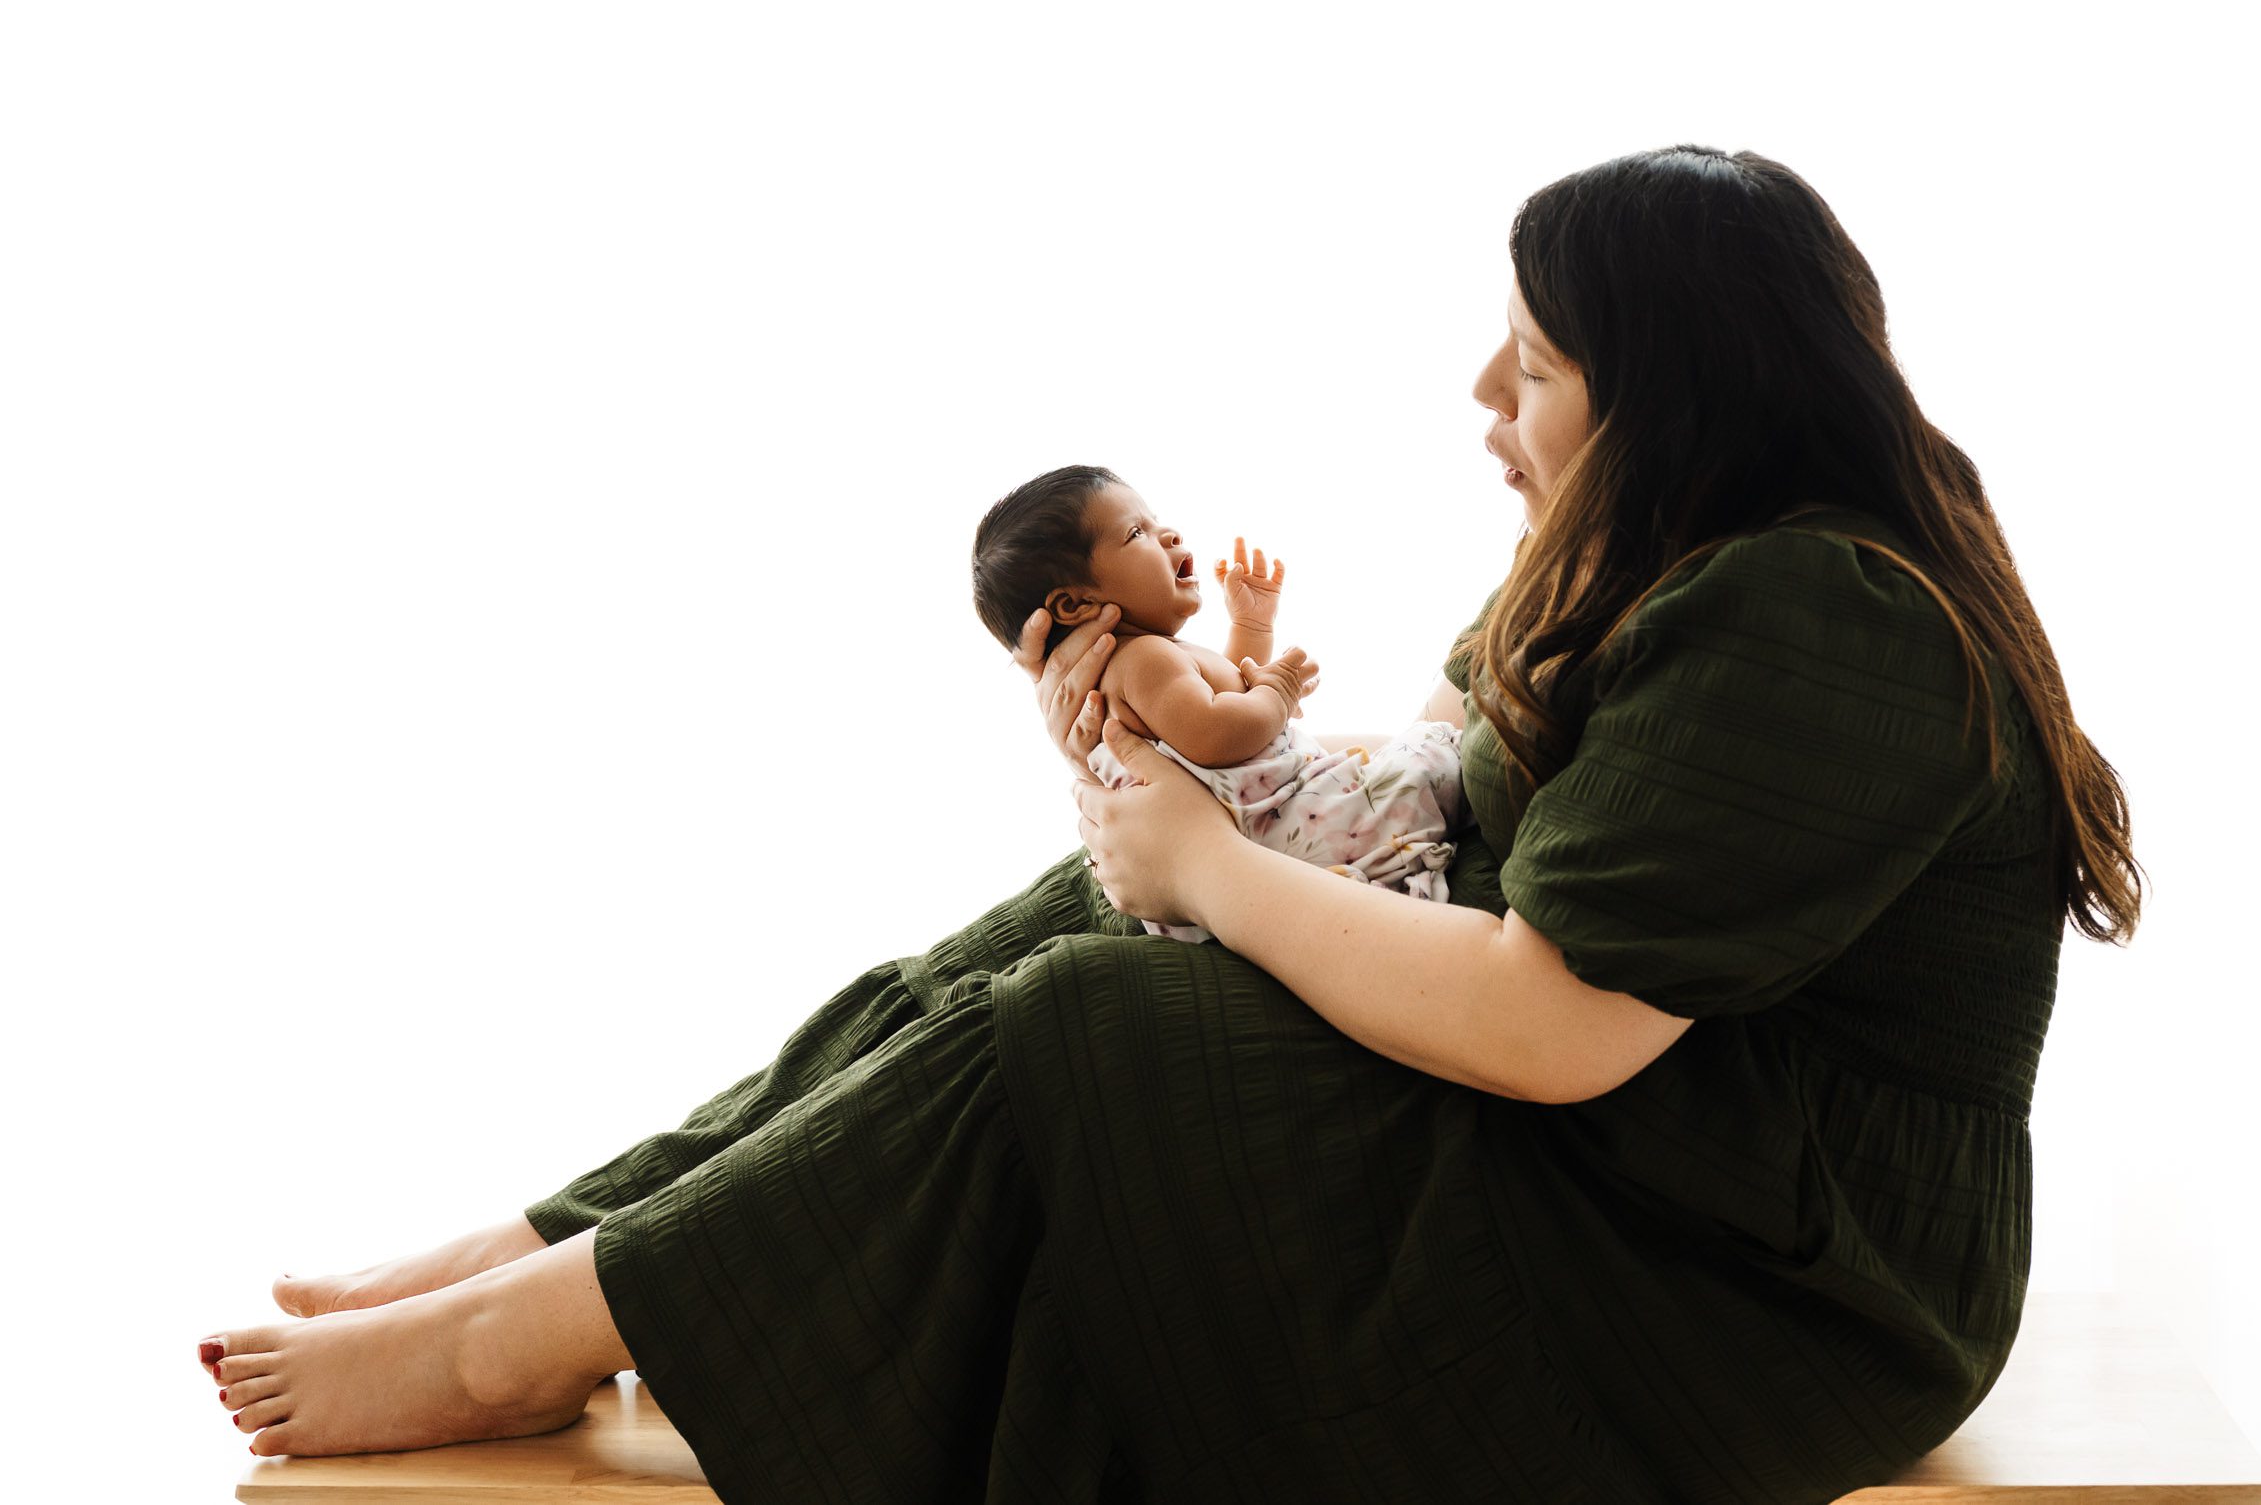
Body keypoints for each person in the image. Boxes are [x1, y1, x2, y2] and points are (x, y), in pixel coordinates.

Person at [197, 143, 2141, 1505]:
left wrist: (1208, 864)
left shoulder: (1818, 609)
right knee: (1090, 902)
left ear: (1681, 393)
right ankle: (562, 1238)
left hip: (1765, 1288)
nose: (1481, 387)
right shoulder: (1639, 566)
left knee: (1092, 1007)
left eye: (1534, 360)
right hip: (1660, 1180)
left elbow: (1559, 1017)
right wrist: (1184, 793)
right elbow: (1431, 792)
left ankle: (510, 1337)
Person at [969, 464, 1467, 940]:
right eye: (1136, 532)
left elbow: (1221, 701)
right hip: (1270, 837)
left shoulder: (1141, 662)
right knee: (1432, 752)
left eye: (1157, 519)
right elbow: (1217, 734)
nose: (1169, 535)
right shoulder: (1141, 659)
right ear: (1075, 604)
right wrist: (1278, 691)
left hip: (1234, 855)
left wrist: (1251, 629)